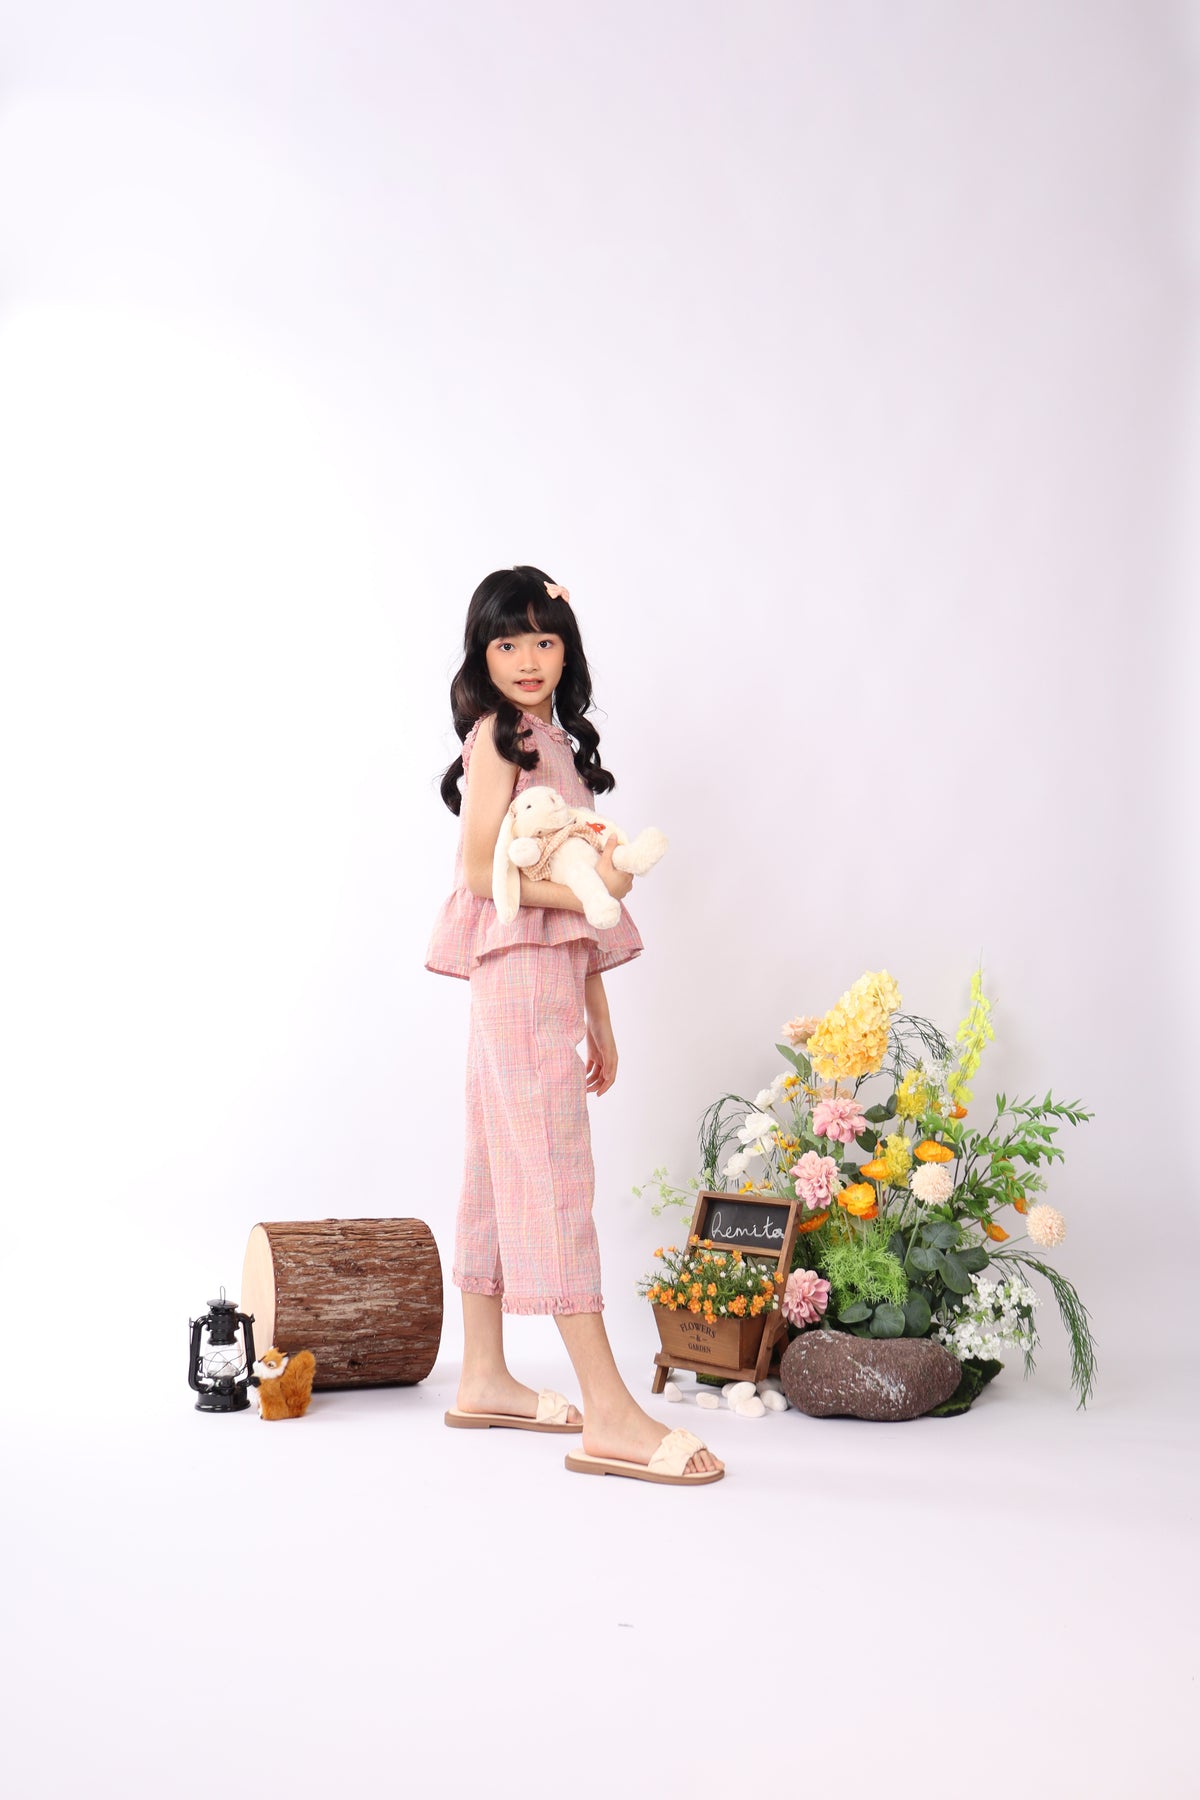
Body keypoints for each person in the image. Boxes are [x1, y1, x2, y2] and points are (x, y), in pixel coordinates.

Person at [425, 565, 724, 1485]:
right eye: (507, 641)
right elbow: (480, 871)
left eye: (544, 640)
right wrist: (599, 896)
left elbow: (562, 880)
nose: (527, 658)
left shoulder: (552, 741)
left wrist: (599, 1009)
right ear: (481, 655)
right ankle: (608, 1412)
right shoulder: (496, 738)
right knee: (554, 1177)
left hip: (537, 978)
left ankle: (483, 1375)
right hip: (517, 976)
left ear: (568, 651)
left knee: (494, 1167)